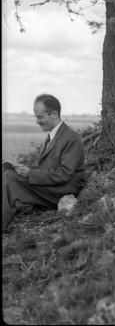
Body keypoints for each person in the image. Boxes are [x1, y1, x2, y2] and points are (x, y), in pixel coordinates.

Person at [2, 94, 85, 231]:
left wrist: (30, 173)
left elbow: (64, 174)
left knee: (9, 178)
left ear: (54, 114)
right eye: (36, 117)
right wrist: (23, 170)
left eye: (40, 117)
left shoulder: (70, 138)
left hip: (61, 190)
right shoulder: (53, 135)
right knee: (7, 171)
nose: (37, 121)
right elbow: (46, 168)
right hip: (50, 185)